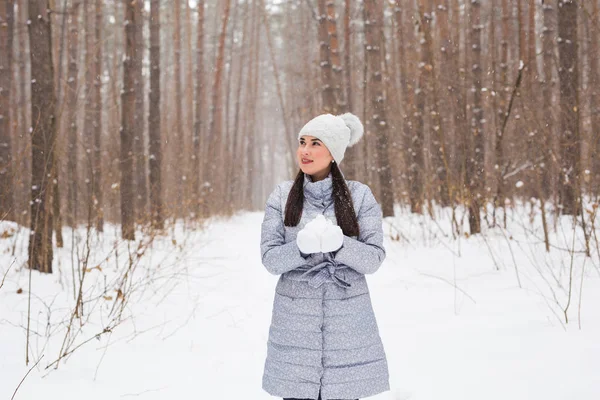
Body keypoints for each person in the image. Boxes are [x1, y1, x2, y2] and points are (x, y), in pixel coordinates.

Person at [260, 113, 390, 400]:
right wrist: (300, 248)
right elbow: (270, 259)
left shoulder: (360, 196)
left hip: (348, 325)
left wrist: (340, 245)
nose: (305, 151)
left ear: (333, 153)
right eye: (302, 142)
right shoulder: (282, 197)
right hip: (295, 326)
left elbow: (374, 258)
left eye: (315, 143)